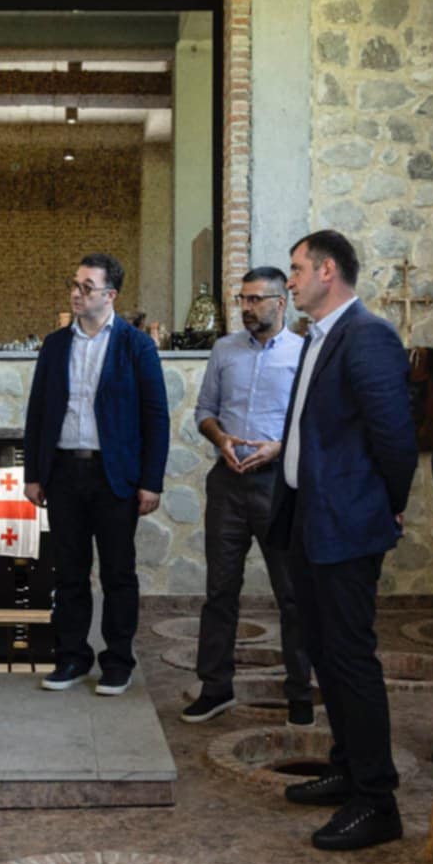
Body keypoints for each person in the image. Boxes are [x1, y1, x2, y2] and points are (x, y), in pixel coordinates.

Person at [267, 229, 417, 852]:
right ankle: (348, 767)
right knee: (324, 653)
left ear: (328, 271)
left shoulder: (368, 335)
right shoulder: (319, 336)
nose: (291, 280)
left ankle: (376, 801)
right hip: (311, 518)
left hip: (347, 524)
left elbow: (396, 437)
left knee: (350, 659)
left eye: (298, 269)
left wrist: (388, 504)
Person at [23, 252, 169, 695]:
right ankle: (71, 657)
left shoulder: (135, 345)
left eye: (87, 287)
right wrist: (34, 473)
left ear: (111, 295)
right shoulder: (55, 345)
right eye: (74, 284)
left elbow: (156, 417)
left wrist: (151, 481)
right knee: (69, 571)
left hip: (114, 476)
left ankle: (118, 661)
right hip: (64, 472)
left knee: (118, 573)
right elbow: (38, 412)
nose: (76, 293)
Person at [183, 266, 313, 727]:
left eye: (256, 299)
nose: (246, 307)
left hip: (279, 485)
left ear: (281, 302)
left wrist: (278, 447)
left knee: (292, 594)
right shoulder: (225, 350)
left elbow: (311, 422)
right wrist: (220, 439)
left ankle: (300, 696)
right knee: (220, 591)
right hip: (228, 483)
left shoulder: (303, 353)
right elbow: (205, 411)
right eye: (243, 299)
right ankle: (215, 688)